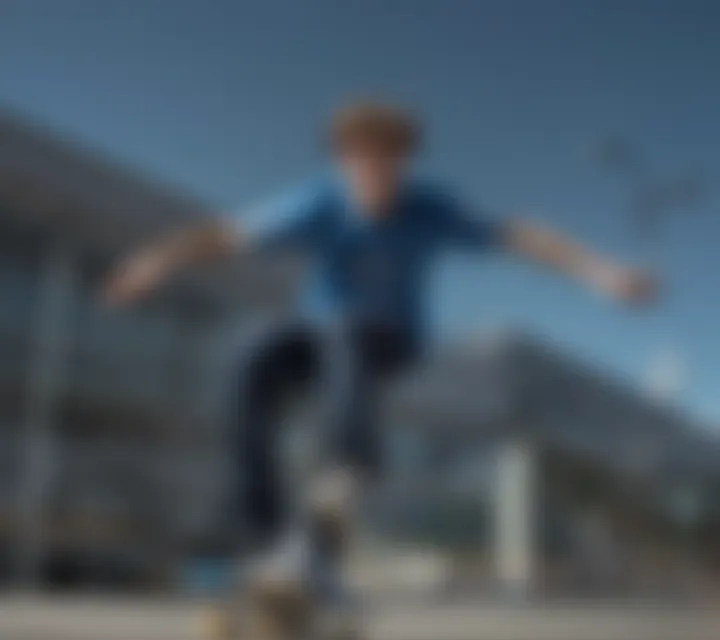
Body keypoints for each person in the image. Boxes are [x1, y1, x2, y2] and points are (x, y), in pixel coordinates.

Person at [104, 101, 656, 608]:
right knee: (252, 360)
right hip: (314, 336)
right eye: (361, 164)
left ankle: (350, 469)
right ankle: (272, 539)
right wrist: (156, 259)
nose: (374, 179)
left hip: (391, 339)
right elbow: (226, 235)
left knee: (347, 336)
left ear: (404, 162)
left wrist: (598, 271)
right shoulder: (316, 203)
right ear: (342, 163)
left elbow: (517, 236)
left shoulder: (430, 208)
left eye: (387, 164)